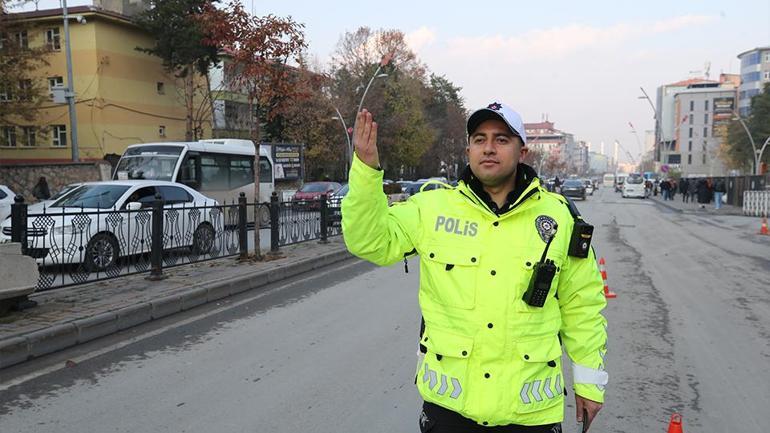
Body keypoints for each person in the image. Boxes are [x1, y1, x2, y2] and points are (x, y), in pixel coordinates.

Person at [342, 102, 608, 432]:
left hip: (530, 414)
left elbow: (582, 307)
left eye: (501, 139)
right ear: (468, 150)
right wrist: (366, 171)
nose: (489, 148)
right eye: (480, 139)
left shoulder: (559, 218)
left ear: (522, 152)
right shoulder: (432, 208)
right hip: (450, 410)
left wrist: (589, 384)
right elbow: (370, 241)